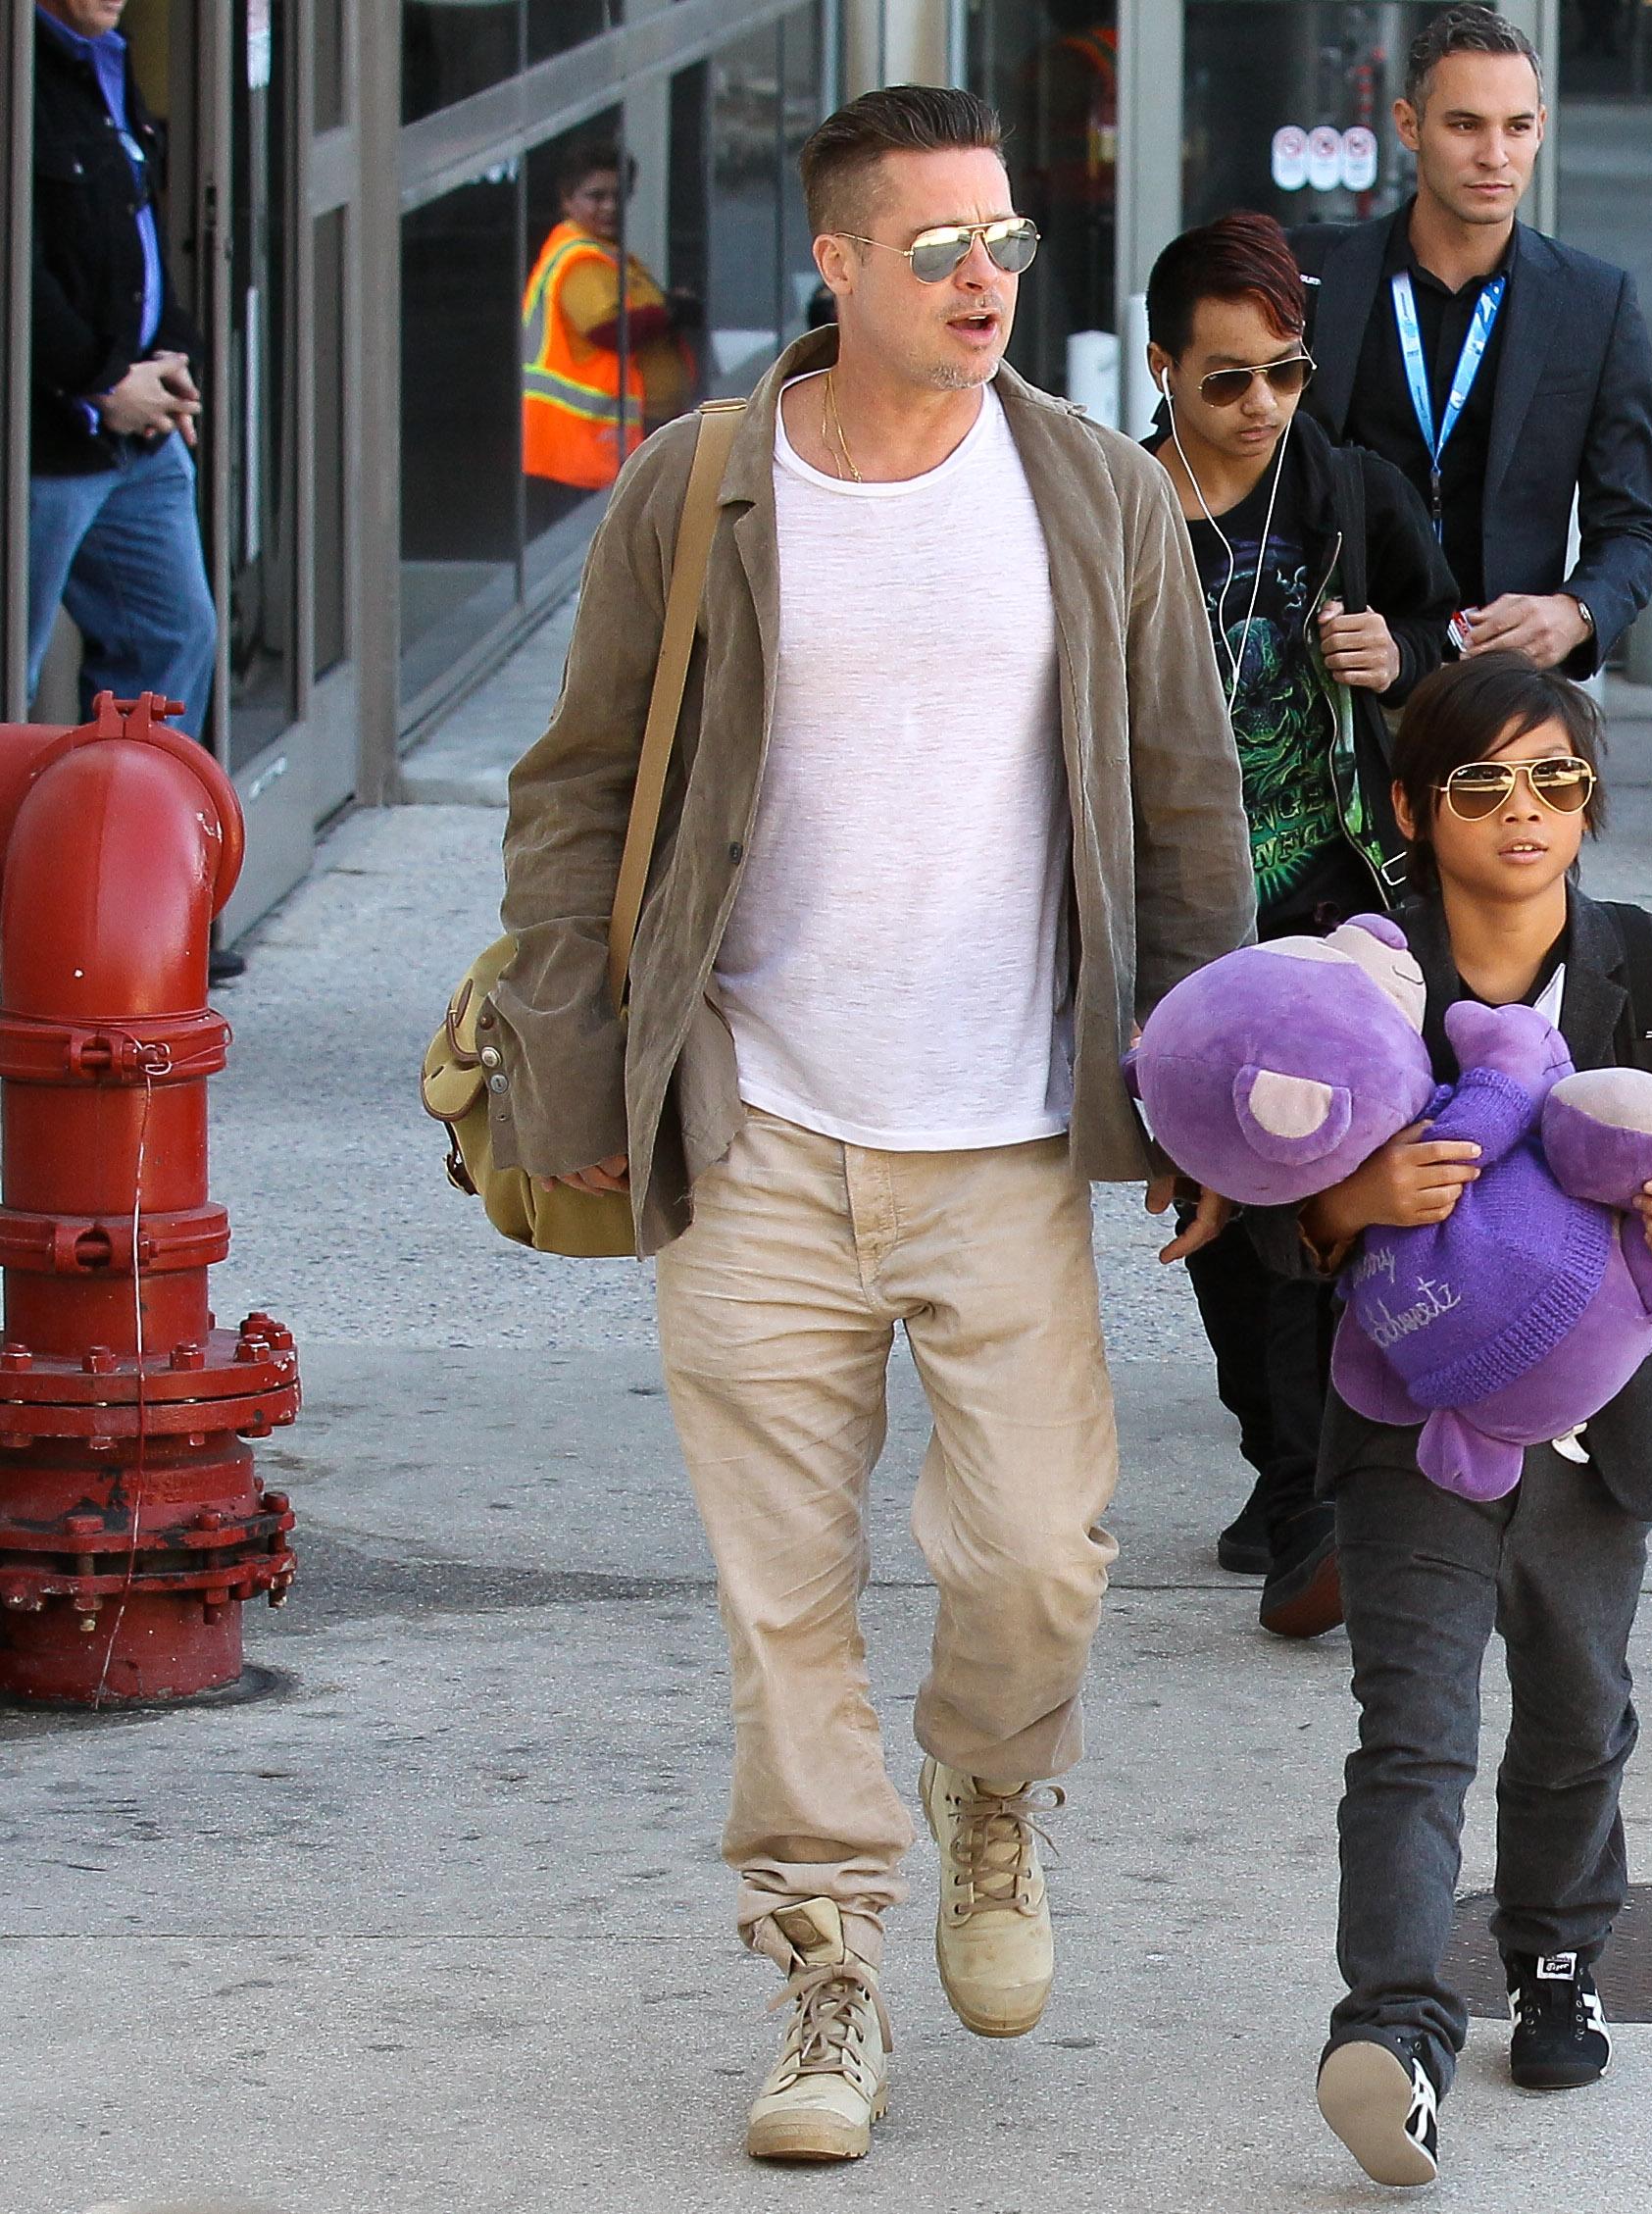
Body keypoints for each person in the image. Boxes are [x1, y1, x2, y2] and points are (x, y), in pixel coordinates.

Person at [489, 85, 1252, 2165]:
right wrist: (575, 1062)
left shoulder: (1094, 496)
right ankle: (827, 1959)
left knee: (1037, 1554)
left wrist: (1204, 1110)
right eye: (938, 247)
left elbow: (1186, 821)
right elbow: (574, 794)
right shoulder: (703, 485)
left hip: (1001, 1133)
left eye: (1004, 238)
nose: (986, 275)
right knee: (777, 1586)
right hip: (752, 1130)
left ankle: (988, 1782)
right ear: (835, 266)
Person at [1263, 654, 1652, 2189]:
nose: (1525, 813)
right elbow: (1268, 1194)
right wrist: (1349, 1202)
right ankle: (1394, 2025)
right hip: (1412, 1424)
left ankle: (1553, 1952)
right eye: (1483, 784)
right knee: (1410, 1733)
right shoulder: (1359, 971)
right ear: (1416, 807)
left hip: (1605, 1425)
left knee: (1572, 1715)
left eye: (1556, 780)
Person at [1138, 209, 1460, 1635]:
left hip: (1336, 903)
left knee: (1324, 1185)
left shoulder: (1348, 489)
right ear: (1158, 368)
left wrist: (1393, 657)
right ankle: (1290, 1479)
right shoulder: (1115, 510)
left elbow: (1439, 653)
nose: (1261, 406)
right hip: (1186, 912)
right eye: (1225, 379)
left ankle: (1317, 1487)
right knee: (1219, 1195)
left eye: (1282, 372)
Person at [1291, 3, 1652, 677]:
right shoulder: (1316, 278)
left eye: (1516, 127)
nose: (1494, 156)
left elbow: (1632, 528)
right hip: (1340, 671)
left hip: (1502, 682)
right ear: (1409, 125)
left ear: (1540, 130)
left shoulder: (1593, 302)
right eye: (1464, 125)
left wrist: (1576, 611)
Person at [25, 0, 216, 738]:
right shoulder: (21, 69)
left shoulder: (105, 56)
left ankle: (129, 848)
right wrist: (105, 383)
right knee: (17, 665)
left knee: (172, 640)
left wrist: (169, 355)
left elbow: (137, 229)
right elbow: (18, 272)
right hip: (48, 440)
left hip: (138, 432)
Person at [520, 146, 702, 492]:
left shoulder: (607, 254)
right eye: (596, 196)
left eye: (619, 195)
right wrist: (672, 311)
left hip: (625, 429)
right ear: (567, 200)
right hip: (600, 436)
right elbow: (611, 330)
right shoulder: (580, 259)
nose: (610, 207)